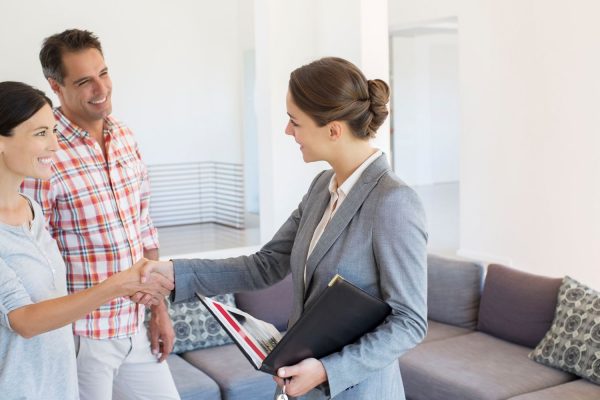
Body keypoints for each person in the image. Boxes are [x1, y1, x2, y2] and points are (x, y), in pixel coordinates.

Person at [136, 57, 428, 399]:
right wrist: (174, 273)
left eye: (295, 121)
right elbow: (265, 265)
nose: (288, 131)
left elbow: (409, 321)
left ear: (334, 130)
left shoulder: (393, 201)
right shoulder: (322, 187)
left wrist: (327, 370)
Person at [20, 29, 180, 400]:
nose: (101, 88)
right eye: (84, 82)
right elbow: (35, 260)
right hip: (82, 338)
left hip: (135, 326)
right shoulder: (43, 151)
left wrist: (159, 311)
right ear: (56, 86)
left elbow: (144, 228)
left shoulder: (125, 136)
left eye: (103, 73)